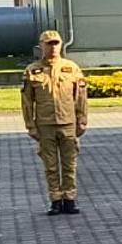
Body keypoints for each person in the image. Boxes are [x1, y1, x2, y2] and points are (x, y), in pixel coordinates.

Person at [22, 29, 89, 215]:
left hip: (68, 123)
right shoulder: (33, 70)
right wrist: (31, 125)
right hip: (45, 125)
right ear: (40, 46)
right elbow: (27, 102)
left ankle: (70, 199)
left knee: (69, 164)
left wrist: (82, 120)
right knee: (50, 166)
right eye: (49, 43)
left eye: (56, 43)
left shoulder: (71, 68)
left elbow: (81, 96)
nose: (53, 47)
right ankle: (55, 200)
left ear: (60, 45)